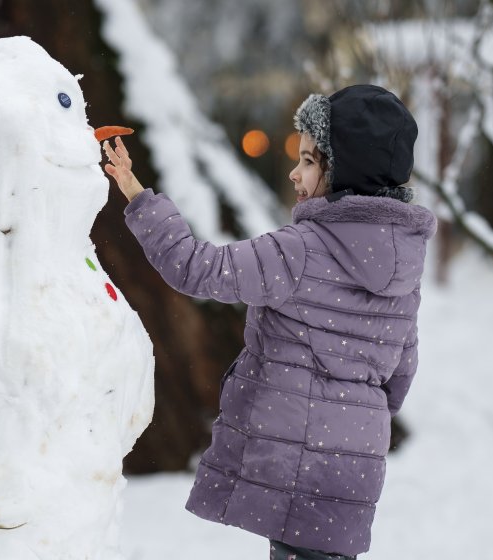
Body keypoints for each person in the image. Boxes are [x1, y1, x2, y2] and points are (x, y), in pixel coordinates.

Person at [102, 84, 437, 559]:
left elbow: (199, 268)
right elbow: (401, 370)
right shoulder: (406, 266)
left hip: (296, 456)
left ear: (341, 170)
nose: (294, 172)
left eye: (307, 160)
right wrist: (356, 423)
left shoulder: (302, 249)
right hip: (355, 467)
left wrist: (137, 195)